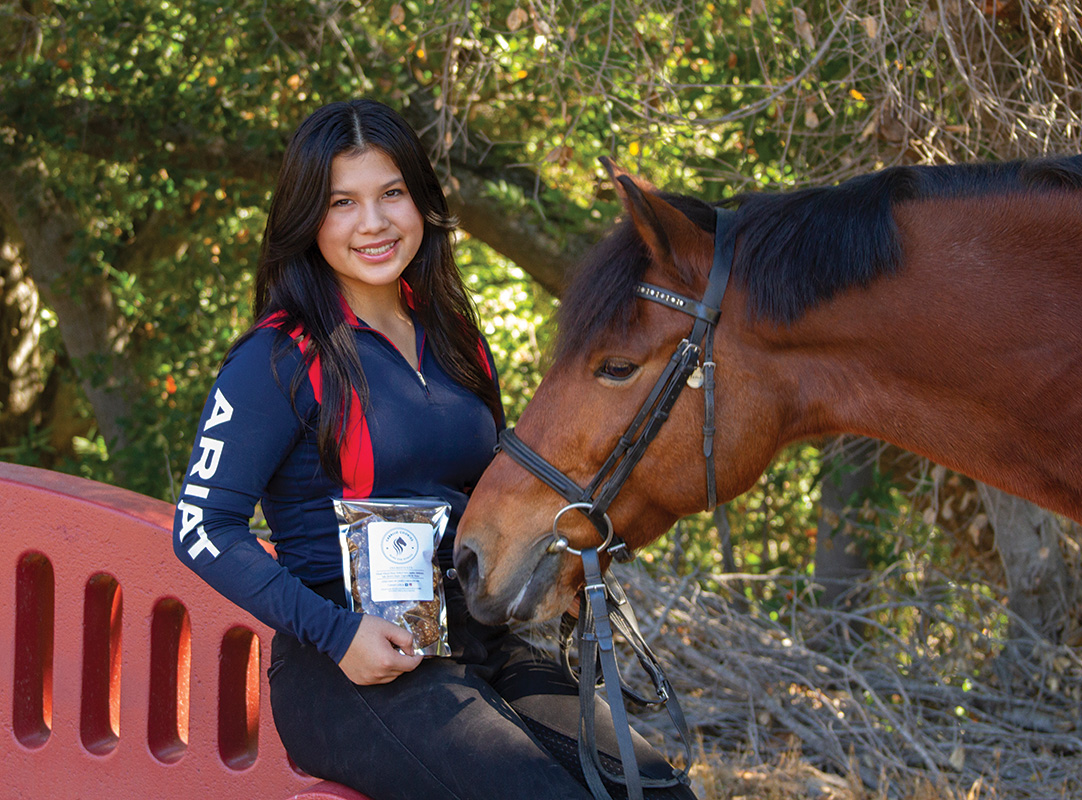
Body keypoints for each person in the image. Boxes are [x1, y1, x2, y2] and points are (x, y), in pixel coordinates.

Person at [172, 98, 695, 800]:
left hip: (481, 635)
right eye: (341, 203)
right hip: (349, 664)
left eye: (392, 194)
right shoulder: (276, 357)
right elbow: (202, 528)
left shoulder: (456, 341)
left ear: (421, 201)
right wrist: (337, 634)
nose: (374, 223)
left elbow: (502, 494)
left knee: (656, 789)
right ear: (307, 219)